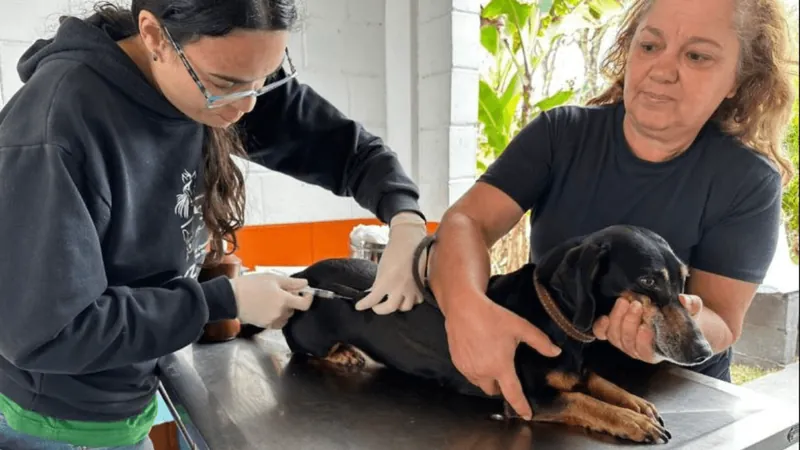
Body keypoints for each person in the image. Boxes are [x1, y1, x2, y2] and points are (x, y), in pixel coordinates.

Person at [0, 0, 427, 448]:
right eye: (226, 85)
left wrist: (406, 220)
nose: (245, 108)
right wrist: (223, 301)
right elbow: (49, 333)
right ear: (153, 35)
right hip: (58, 426)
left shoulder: (215, 76)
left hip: (128, 400)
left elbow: (347, 150)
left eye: (261, 83)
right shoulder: (58, 129)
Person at [427, 0, 796, 421]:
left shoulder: (747, 181)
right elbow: (465, 222)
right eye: (650, 46)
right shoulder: (560, 134)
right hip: (556, 378)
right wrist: (466, 309)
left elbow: (723, 322)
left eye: (697, 55)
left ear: (738, 79)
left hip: (677, 399)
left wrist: (662, 331)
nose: (662, 69)